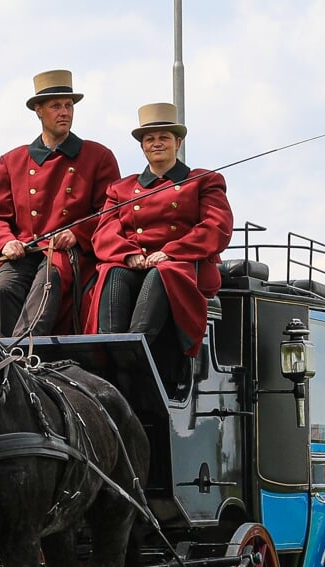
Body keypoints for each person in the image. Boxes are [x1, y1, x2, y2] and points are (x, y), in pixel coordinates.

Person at [87, 102, 233, 376]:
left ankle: (135, 353)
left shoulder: (203, 181)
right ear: (142, 146)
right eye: (149, 139)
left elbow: (217, 227)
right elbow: (104, 230)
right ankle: (109, 353)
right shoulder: (121, 189)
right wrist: (128, 253)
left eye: (164, 137)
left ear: (178, 143)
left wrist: (172, 252)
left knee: (163, 273)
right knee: (113, 271)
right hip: (135, 264)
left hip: (182, 265)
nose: (156, 144)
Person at [0, 69, 121, 338]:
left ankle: (22, 350)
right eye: (56, 106)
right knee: (4, 285)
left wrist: (77, 233)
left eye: (69, 106)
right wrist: (5, 242)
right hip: (25, 250)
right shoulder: (13, 161)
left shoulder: (98, 156)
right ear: (38, 111)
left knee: (49, 281)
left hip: (67, 253)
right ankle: (7, 349)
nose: (65, 112)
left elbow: (110, 212)